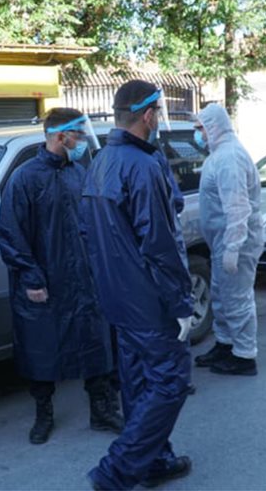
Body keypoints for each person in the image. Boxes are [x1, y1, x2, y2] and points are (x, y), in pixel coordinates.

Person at [81, 80, 194, 490]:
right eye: (158, 112)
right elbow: (160, 244)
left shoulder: (101, 161)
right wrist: (181, 303)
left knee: (138, 381)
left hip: (118, 296)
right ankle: (116, 471)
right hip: (147, 298)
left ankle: (154, 461)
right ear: (147, 115)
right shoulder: (142, 165)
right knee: (170, 379)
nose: (159, 119)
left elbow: (88, 234)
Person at [0, 107, 122, 445]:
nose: (82, 141)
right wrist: (31, 278)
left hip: (84, 279)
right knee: (41, 349)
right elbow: (11, 233)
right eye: (78, 134)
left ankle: (101, 410)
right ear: (60, 136)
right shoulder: (25, 178)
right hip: (46, 280)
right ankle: (43, 413)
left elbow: (95, 224)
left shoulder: (80, 173)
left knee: (95, 343)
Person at [192, 104, 264, 376]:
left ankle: (244, 356)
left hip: (237, 242)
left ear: (214, 126)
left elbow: (237, 208)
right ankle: (225, 344)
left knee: (237, 299)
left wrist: (233, 248)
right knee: (222, 297)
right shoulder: (218, 154)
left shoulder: (230, 158)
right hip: (222, 241)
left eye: (201, 128)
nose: (198, 134)